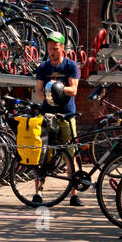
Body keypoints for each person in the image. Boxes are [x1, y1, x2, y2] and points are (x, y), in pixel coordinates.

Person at [33, 31, 82, 206]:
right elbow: (38, 93)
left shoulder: (70, 66)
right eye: (49, 47)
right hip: (47, 114)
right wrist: (48, 93)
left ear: (62, 48)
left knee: (70, 153)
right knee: (44, 153)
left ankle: (73, 194)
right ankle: (38, 193)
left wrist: (55, 87)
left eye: (55, 47)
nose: (52, 51)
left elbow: (74, 89)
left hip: (66, 114)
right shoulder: (43, 67)